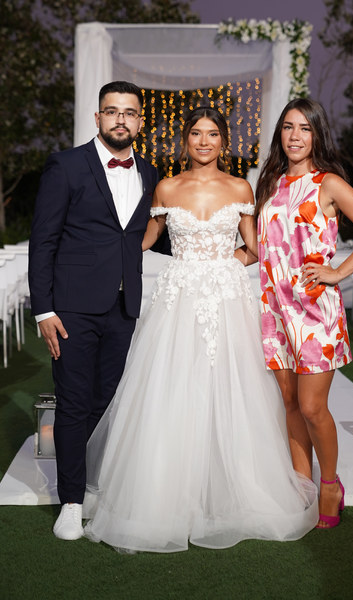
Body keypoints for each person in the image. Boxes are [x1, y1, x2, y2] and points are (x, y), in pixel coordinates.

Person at [82, 106, 319, 553]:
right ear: (185, 140)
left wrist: (226, 264)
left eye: (212, 134)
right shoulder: (167, 187)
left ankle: (231, 491)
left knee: (232, 389)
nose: (204, 141)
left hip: (227, 299)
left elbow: (255, 247)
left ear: (224, 142)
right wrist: (93, 246)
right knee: (172, 388)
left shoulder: (240, 187)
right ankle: (164, 495)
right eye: (196, 134)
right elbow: (142, 239)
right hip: (178, 300)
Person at [236, 98, 353, 529]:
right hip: (275, 309)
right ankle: (301, 488)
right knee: (288, 403)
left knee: (311, 406)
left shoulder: (328, 183)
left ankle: (329, 483)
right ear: (279, 134)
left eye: (305, 128)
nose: (295, 136)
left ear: (317, 135)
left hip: (314, 310)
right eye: (288, 127)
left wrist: (337, 271)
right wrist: (213, 263)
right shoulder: (268, 184)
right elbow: (262, 249)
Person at [28, 80, 170, 541]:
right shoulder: (66, 165)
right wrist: (43, 310)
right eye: (112, 111)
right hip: (71, 309)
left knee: (106, 401)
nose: (120, 120)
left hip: (124, 308)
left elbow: (149, 235)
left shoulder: (149, 172)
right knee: (72, 402)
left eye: (129, 113)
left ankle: (87, 481)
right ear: (98, 118)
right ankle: (71, 501)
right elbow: (43, 241)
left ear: (140, 122)